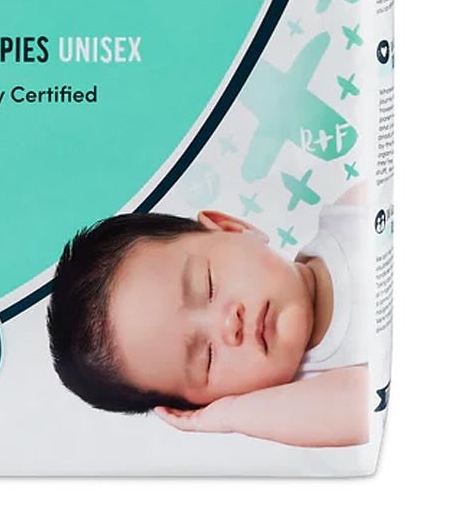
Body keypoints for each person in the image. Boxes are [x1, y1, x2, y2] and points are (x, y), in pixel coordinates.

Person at [47, 185, 371, 447]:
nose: (229, 324)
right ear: (210, 403)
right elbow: (370, 407)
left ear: (232, 228)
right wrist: (229, 416)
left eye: (208, 286)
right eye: (206, 358)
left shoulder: (352, 215)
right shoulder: (314, 398)